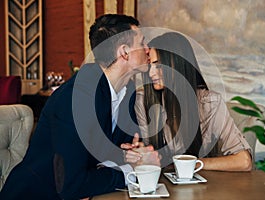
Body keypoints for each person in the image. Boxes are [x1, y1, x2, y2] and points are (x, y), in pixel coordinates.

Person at [0, 14, 160, 199]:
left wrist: (133, 155)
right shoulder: (75, 98)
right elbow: (71, 185)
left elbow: (118, 149)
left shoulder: (127, 90)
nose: (148, 49)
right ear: (124, 52)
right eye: (142, 43)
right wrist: (132, 172)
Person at [125, 32, 252, 171]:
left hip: (203, 186)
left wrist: (193, 164)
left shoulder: (209, 103)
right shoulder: (143, 101)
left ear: (178, 65)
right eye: (150, 66)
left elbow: (244, 161)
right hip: (162, 185)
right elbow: (147, 153)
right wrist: (141, 154)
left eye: (159, 66)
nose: (151, 73)